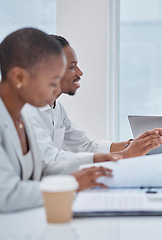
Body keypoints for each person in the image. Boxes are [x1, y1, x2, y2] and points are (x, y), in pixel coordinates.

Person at [0, 28, 114, 212]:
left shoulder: (21, 117)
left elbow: (42, 169)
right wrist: (73, 183)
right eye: (52, 82)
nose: (55, 91)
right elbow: (7, 195)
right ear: (19, 77)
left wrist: (94, 160)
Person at [22, 35, 162, 165]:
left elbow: (86, 146)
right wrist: (124, 155)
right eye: (72, 67)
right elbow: (51, 158)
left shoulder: (57, 108)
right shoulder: (26, 112)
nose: (80, 73)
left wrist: (135, 144)